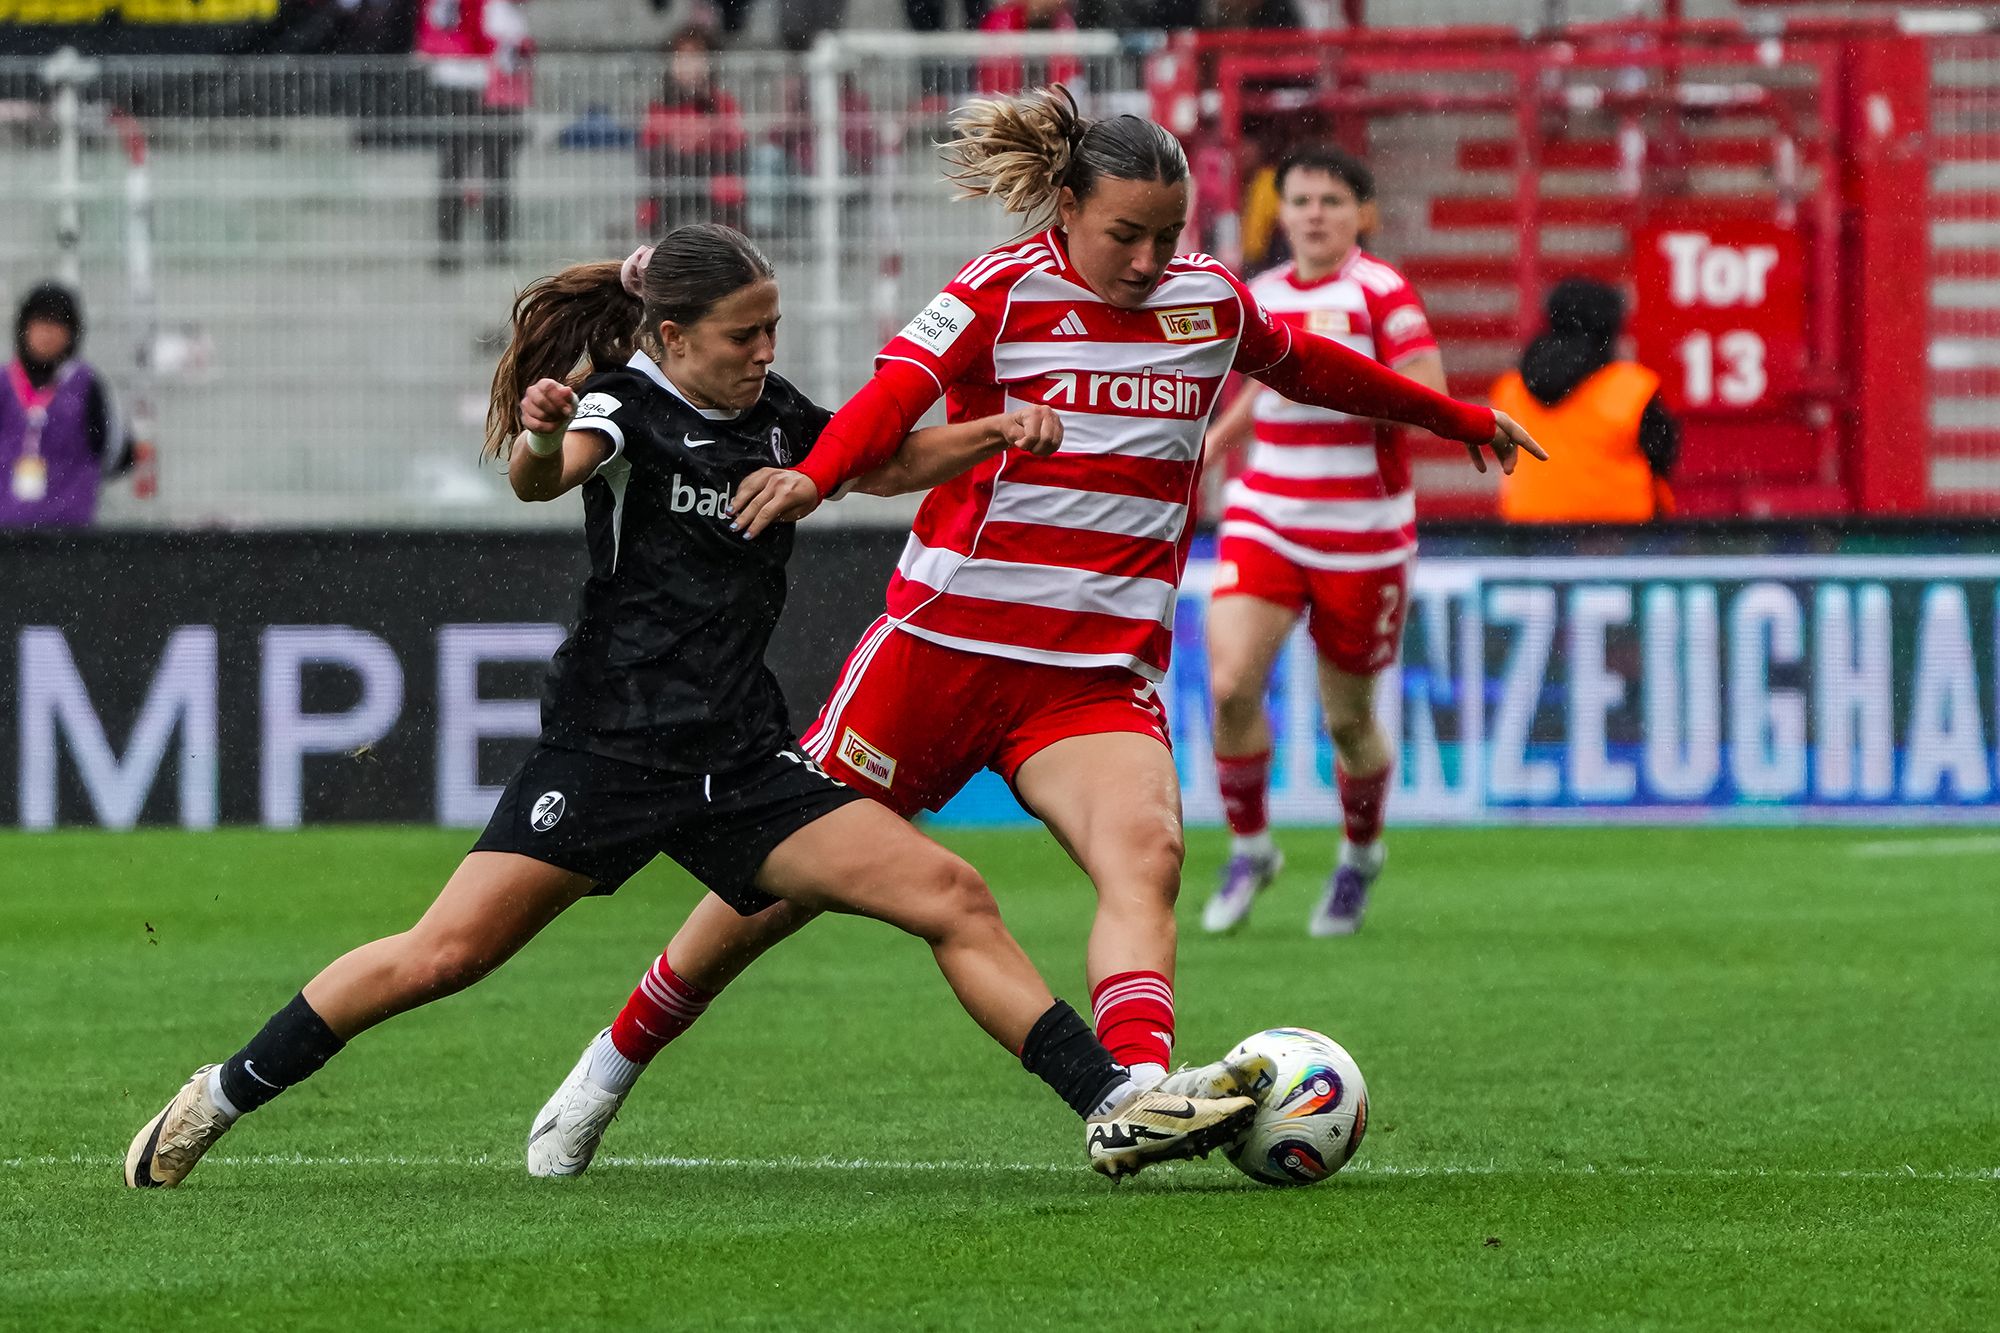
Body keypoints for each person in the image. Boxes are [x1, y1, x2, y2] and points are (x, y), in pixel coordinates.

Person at [524, 87, 1542, 1173]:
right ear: (1064, 205)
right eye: (1124, 234)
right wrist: (814, 477)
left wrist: (1455, 416)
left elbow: (1307, 367)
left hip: (1089, 674)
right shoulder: (995, 292)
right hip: (940, 649)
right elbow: (887, 398)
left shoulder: (1210, 307)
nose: (1149, 258)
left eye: (1167, 233)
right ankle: (609, 1065)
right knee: (769, 890)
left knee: (1143, 856)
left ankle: (1137, 1093)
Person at [122, 225, 1256, 1191]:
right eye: (741, 337)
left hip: (742, 764)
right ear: (671, 338)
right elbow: (543, 476)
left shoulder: (772, 413)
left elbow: (875, 463)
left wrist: (993, 433)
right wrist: (532, 428)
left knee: (952, 895)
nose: (763, 354)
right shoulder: (624, 407)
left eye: (770, 331)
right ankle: (217, 1094)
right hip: (610, 756)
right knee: (442, 955)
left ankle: (1109, 1099)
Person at [1197, 145, 1445, 939]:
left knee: (1348, 722)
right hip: (1267, 512)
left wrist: (1346, 386)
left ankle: (1359, 857)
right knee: (1231, 682)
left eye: (1331, 201)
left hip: (1361, 534)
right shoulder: (1262, 293)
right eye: (1300, 200)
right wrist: (1217, 439)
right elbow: (1264, 390)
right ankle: (1250, 846)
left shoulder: (1384, 295)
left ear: (1360, 215)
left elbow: (1430, 399)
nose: (1312, 214)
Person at [1493, 276, 1680, 524]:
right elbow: (1663, 458)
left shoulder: (1510, 390)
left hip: (1527, 539)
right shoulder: (1633, 390)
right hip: (1624, 541)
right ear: (1610, 329)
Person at [1, 282, 137, 529]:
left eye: (57, 324)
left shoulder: (87, 386)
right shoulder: (3, 384)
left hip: (68, 537)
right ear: (23, 328)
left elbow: (117, 454)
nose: (47, 333)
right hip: (6, 536)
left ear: (72, 332)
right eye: (39, 322)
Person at [417, 0, 532, 270]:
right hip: (466, 77)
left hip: (491, 79)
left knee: (492, 168)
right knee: (461, 167)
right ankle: (455, 247)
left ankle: (492, 245)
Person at [638, 20, 748, 238]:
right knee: (667, 185)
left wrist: (696, 137)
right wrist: (699, 135)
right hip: (672, 182)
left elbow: (736, 147)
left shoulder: (723, 103)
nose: (690, 64)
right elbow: (651, 150)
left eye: (696, 56)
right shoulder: (659, 105)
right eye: (682, 56)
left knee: (725, 189)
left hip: (713, 179)